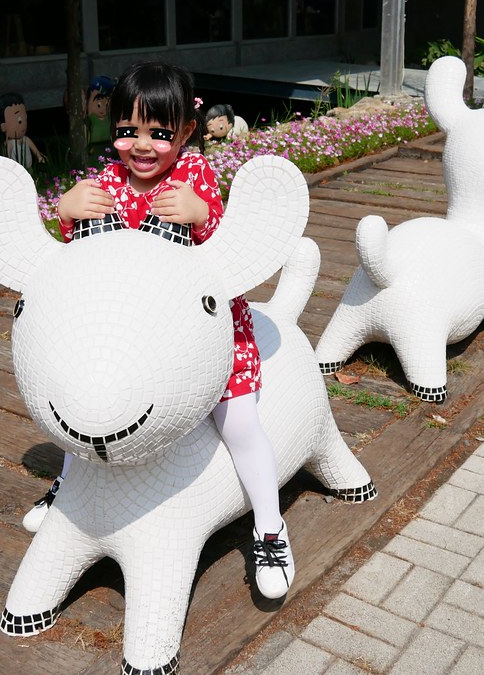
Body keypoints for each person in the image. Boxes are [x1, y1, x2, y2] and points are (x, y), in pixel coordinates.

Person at [22, 60, 295, 600]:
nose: (142, 146)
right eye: (128, 131)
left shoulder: (194, 177)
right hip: (129, 337)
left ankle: (270, 527)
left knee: (241, 424)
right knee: (84, 406)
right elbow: (81, 259)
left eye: (159, 133)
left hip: (201, 337)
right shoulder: (106, 181)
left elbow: (227, 253)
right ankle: (66, 487)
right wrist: (67, 214)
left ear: (186, 131)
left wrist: (203, 216)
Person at [0, 92, 45, 169]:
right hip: (16, 171)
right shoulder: (9, 144)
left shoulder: (26, 139)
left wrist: (39, 156)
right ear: (3, 127)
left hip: (29, 168)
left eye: (25, 118)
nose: (23, 124)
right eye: (19, 121)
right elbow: (7, 158)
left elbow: (35, 150)